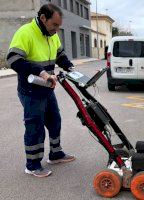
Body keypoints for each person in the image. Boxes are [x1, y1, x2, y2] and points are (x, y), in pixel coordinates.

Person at [6, 3, 75, 178]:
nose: (57, 30)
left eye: (59, 26)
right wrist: (41, 72)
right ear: (43, 18)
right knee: (35, 127)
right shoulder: (25, 32)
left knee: (54, 120)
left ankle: (55, 154)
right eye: (54, 25)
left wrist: (70, 68)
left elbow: (60, 55)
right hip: (30, 90)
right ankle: (33, 164)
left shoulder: (52, 35)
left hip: (47, 88)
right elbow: (13, 60)